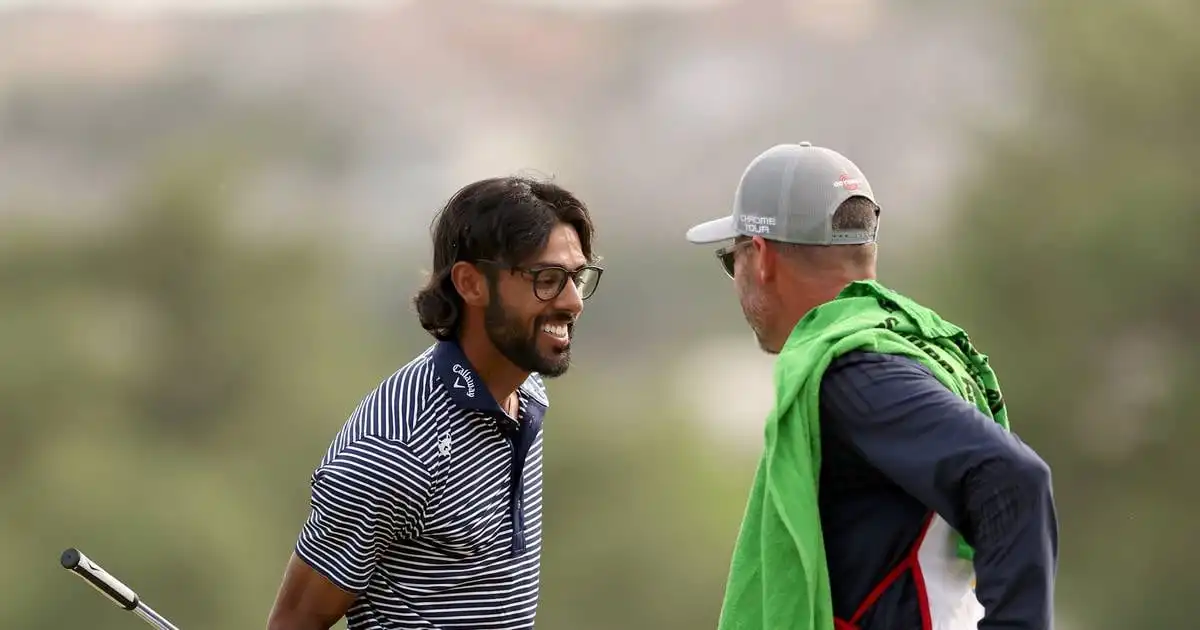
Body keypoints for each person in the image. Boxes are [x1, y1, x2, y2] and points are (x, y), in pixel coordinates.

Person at [685, 143, 1058, 630]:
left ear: (760, 258)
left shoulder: (855, 373)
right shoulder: (909, 346)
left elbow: (1015, 478)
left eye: (729, 258)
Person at [266, 176, 604, 630]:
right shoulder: (392, 452)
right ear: (470, 283)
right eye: (547, 279)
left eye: (577, 277)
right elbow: (295, 621)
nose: (573, 301)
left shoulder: (526, 391)